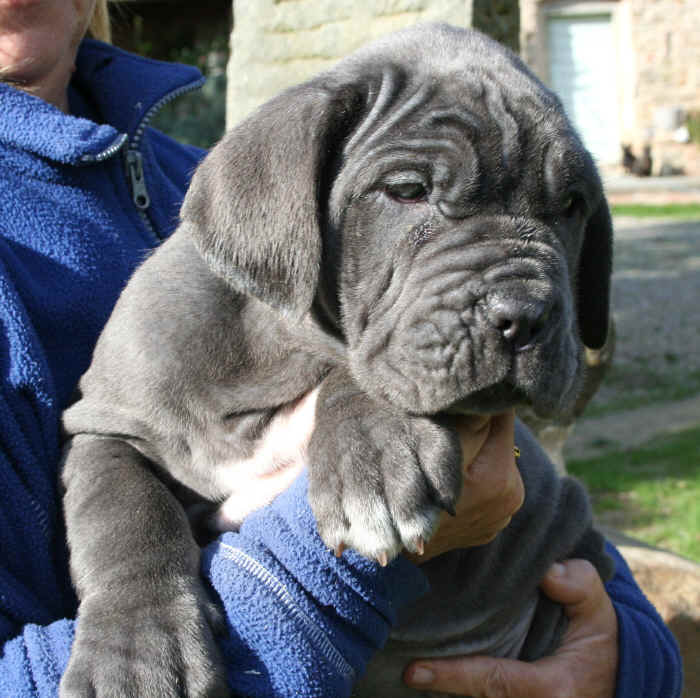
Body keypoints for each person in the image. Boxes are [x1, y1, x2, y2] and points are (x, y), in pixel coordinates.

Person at [0, 1, 682, 696]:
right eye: (413, 189)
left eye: (563, 206)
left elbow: (545, 519)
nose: (520, 295)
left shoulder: (189, 171)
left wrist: (627, 657)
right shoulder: (220, 257)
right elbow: (112, 441)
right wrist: (139, 603)